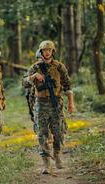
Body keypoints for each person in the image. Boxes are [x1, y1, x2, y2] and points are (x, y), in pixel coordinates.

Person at [28, 40, 75, 174]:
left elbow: (68, 86)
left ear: (52, 51)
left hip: (56, 104)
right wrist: (33, 76)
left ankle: (57, 155)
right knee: (42, 134)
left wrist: (71, 103)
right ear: (41, 52)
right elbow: (24, 82)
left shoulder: (59, 67)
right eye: (44, 50)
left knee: (59, 133)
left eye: (49, 50)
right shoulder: (35, 67)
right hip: (41, 104)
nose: (47, 53)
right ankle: (46, 163)